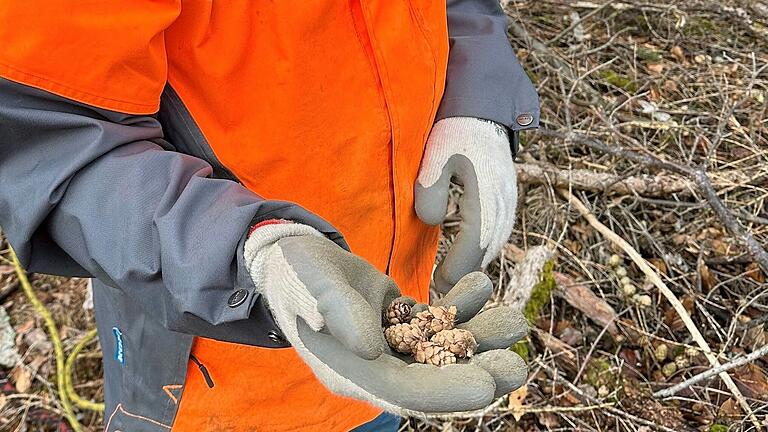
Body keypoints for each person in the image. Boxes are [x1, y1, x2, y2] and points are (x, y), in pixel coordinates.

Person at [0, 1, 539, 430]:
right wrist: (250, 252)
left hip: (388, 317)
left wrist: (475, 91)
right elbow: (51, 139)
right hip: (216, 375)